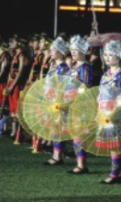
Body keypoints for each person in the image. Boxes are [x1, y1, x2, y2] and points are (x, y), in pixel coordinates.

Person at [97, 40, 121, 184]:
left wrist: (114, 112)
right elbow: (100, 94)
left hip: (115, 113)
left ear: (118, 56)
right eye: (105, 54)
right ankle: (119, 173)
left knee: (115, 144)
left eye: (110, 55)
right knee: (111, 143)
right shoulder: (106, 74)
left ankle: (115, 174)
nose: (107, 57)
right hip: (104, 112)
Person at [66, 35, 94, 175]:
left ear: (83, 51)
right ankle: (79, 163)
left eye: (76, 50)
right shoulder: (73, 66)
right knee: (75, 134)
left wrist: (75, 97)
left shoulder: (85, 67)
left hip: (80, 104)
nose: (73, 52)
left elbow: (86, 86)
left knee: (79, 134)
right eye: (71, 49)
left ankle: (82, 165)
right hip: (71, 103)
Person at [42, 37, 72, 166]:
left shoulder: (63, 67)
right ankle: (56, 154)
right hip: (51, 100)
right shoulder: (54, 65)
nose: (50, 51)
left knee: (58, 128)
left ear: (60, 52)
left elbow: (62, 86)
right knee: (54, 127)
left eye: (53, 49)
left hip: (58, 101)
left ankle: (58, 156)